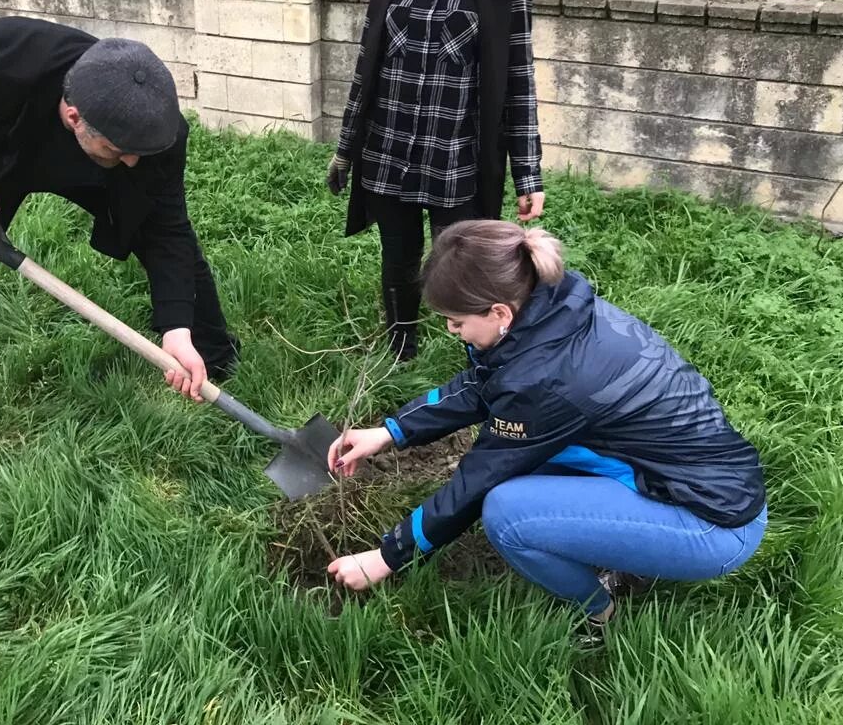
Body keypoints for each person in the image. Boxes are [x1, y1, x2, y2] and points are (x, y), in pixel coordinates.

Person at [0, 17, 240, 515]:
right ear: (74, 115)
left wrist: (176, 329)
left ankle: (211, 349)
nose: (132, 163)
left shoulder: (153, 134)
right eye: (121, 152)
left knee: (172, 240)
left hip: (85, 164)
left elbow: (167, 230)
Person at [325, 221, 767, 641]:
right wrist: (390, 431)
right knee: (531, 465)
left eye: (457, 322)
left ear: (499, 311)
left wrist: (385, 557)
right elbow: (487, 385)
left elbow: (478, 482)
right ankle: (627, 551)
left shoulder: (548, 379)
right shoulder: (549, 312)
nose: (451, 330)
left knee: (506, 511)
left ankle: (599, 610)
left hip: (710, 523)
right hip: (690, 481)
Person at [327, 0, 544, 362]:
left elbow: (517, 76)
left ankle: (472, 361)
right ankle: (400, 349)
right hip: (390, 146)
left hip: (457, 154)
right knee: (398, 258)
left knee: (463, 265)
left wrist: (528, 172)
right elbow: (367, 63)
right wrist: (346, 149)